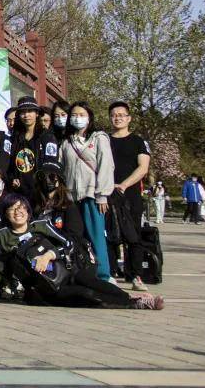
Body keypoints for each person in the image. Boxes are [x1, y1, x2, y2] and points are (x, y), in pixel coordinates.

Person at [0, 194, 163, 310]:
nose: (18, 212)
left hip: (67, 270)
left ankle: (131, 298)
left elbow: (68, 243)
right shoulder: (2, 237)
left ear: (28, 212)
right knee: (85, 294)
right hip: (47, 288)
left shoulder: (40, 226)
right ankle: (134, 303)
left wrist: (48, 255)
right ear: (6, 214)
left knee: (91, 281)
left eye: (21, 208)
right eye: (12, 209)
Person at [59, 102, 114, 282]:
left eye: (82, 114)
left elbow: (106, 166)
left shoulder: (99, 138)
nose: (78, 118)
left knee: (96, 236)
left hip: (92, 195)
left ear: (89, 117)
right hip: (71, 197)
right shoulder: (66, 142)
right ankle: (81, 273)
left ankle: (103, 275)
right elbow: (61, 168)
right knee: (76, 236)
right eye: (74, 115)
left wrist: (102, 194)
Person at [106, 101, 150, 291]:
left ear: (129, 118)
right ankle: (110, 274)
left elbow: (143, 167)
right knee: (109, 235)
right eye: (114, 115)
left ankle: (135, 275)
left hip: (131, 195)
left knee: (133, 236)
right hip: (107, 194)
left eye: (121, 115)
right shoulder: (104, 140)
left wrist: (124, 184)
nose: (117, 118)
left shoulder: (138, 141)